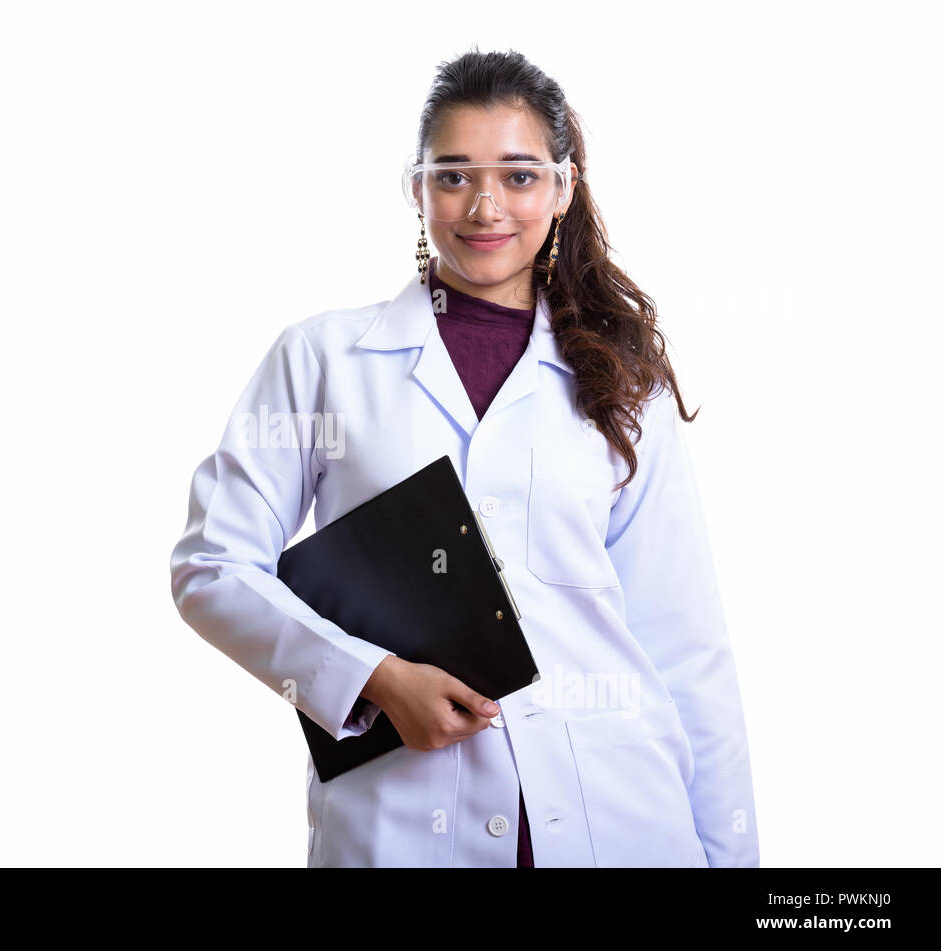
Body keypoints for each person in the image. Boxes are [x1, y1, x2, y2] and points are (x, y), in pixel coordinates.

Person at [168, 49, 758, 867]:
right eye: (453, 175)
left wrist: (734, 860)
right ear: (415, 187)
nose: (485, 205)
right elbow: (213, 565)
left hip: (622, 819)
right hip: (403, 824)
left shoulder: (623, 379)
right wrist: (371, 676)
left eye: (519, 176)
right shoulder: (324, 359)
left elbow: (685, 646)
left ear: (562, 186)